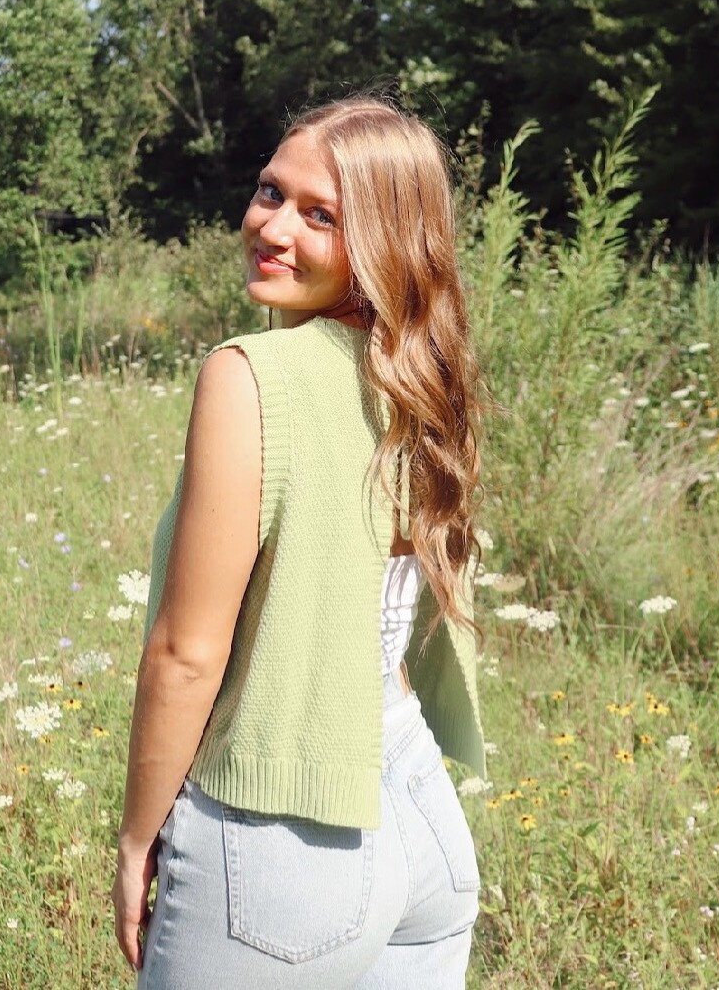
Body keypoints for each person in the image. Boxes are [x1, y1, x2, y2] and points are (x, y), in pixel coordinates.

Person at [112, 96, 486, 989]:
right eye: (270, 192)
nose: (273, 226)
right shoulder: (424, 377)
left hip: (282, 840)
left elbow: (186, 653)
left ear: (384, 242)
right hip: (421, 817)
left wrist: (134, 840)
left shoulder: (250, 374)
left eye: (321, 215)